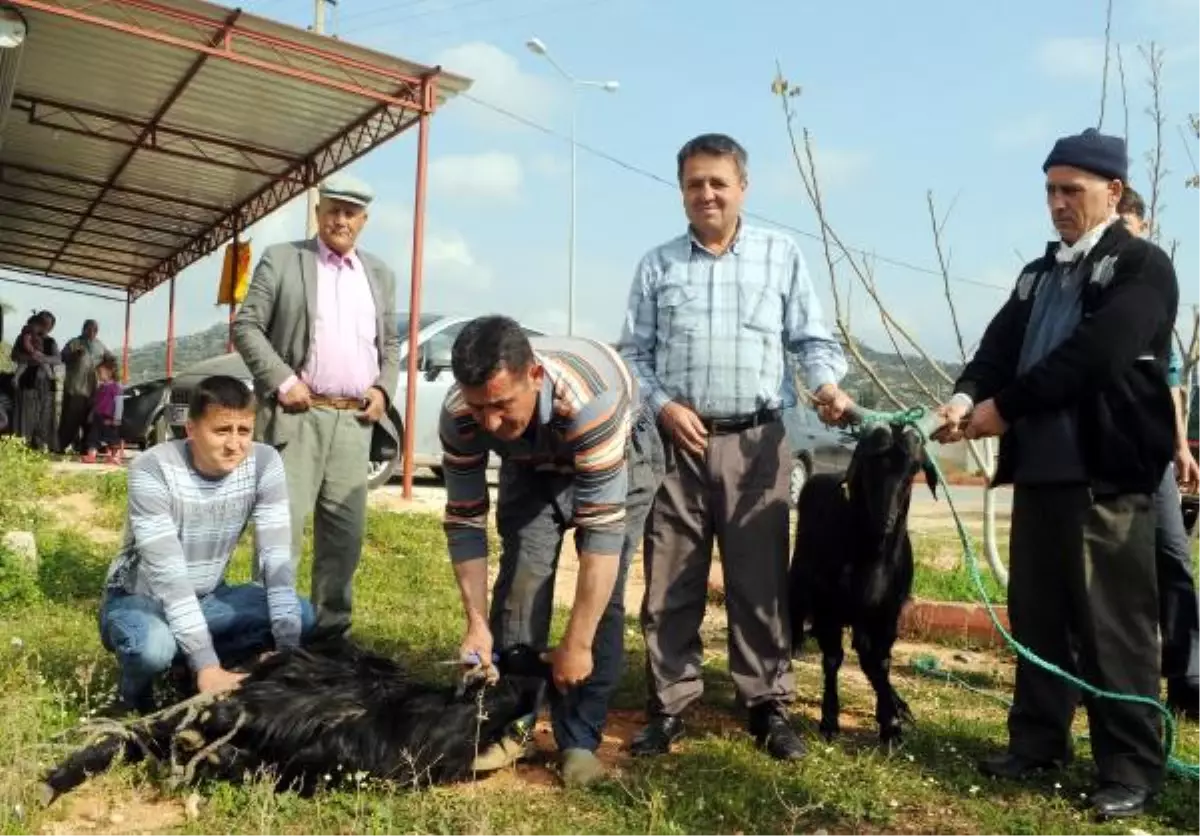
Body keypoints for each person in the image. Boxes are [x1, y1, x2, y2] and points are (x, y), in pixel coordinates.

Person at [934, 128, 1177, 820]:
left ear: (1113, 192)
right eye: (1050, 190)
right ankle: (1037, 742)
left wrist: (1001, 408)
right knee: (1040, 617)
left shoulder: (1142, 267)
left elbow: (1095, 356)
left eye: (1073, 190)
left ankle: (1129, 767)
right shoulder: (1038, 275)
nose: (1058, 203)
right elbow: (997, 348)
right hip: (1040, 473)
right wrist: (964, 396)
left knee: (1114, 626)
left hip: (1104, 477)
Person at [618, 132, 851, 761]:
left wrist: (826, 385)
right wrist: (663, 407)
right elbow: (633, 354)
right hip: (677, 446)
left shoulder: (781, 255)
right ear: (682, 190)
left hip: (757, 444)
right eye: (695, 183)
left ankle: (768, 706)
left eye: (718, 182)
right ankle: (668, 705)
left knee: (761, 583)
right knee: (670, 579)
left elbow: (811, 340)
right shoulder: (657, 265)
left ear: (743, 186)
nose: (707, 193)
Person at [439, 315, 665, 787]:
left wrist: (576, 645)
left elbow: (601, 538)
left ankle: (578, 740)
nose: (491, 423)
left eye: (501, 405)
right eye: (480, 409)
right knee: (523, 574)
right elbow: (465, 520)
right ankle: (512, 725)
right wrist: (476, 624)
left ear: (535, 376)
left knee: (602, 598)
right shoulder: (462, 413)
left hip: (619, 444)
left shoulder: (590, 400)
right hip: (531, 461)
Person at [233, 173, 401, 639]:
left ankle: (329, 639)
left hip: (354, 423)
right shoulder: (283, 260)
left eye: (351, 212)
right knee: (281, 534)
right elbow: (246, 326)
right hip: (296, 419)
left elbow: (390, 345)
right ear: (318, 212)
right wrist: (283, 380)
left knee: (344, 540)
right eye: (333, 209)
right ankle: (267, 636)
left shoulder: (381, 275)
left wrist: (384, 390)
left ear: (364, 220)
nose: (340, 219)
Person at [99, 375, 315, 714]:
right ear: (191, 430)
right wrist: (206, 665)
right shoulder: (152, 469)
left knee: (301, 614)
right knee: (151, 647)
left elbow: (275, 558)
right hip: (142, 599)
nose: (234, 444)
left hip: (209, 597)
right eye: (221, 431)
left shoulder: (264, 463)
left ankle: (194, 662)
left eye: (243, 431)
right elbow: (169, 578)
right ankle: (133, 700)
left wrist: (286, 651)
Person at [1117, 185, 1200, 715]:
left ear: (1141, 226)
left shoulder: (1152, 289)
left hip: (1152, 457)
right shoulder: (1084, 285)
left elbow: (1168, 380)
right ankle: (1098, 680)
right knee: (1105, 571)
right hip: (1101, 457)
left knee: (1174, 558)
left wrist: (1179, 446)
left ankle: (1188, 680)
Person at [59, 319, 114, 455]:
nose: (92, 332)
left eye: (95, 330)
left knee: (89, 421)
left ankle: (86, 447)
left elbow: (110, 359)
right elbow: (62, 357)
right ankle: (60, 446)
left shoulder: (100, 345)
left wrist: (109, 362)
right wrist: (74, 355)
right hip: (75, 388)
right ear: (83, 329)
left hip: (93, 390)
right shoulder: (74, 342)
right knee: (70, 419)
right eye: (89, 329)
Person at [10, 311, 61, 452]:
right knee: (26, 414)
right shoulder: (23, 337)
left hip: (46, 383)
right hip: (27, 382)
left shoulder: (51, 342)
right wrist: (29, 358)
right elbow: (14, 355)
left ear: (51, 327)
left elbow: (58, 359)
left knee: (45, 415)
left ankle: (42, 445)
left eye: (48, 324)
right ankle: (22, 445)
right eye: (42, 322)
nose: (45, 326)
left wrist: (43, 358)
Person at [82, 357, 123, 465]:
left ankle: (114, 457)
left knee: (112, 438)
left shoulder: (116, 387)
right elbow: (97, 402)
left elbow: (119, 404)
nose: (99, 375)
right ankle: (91, 455)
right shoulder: (100, 388)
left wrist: (117, 419)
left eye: (100, 372)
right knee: (93, 437)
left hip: (109, 418)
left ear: (110, 372)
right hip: (98, 417)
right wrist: (91, 414)